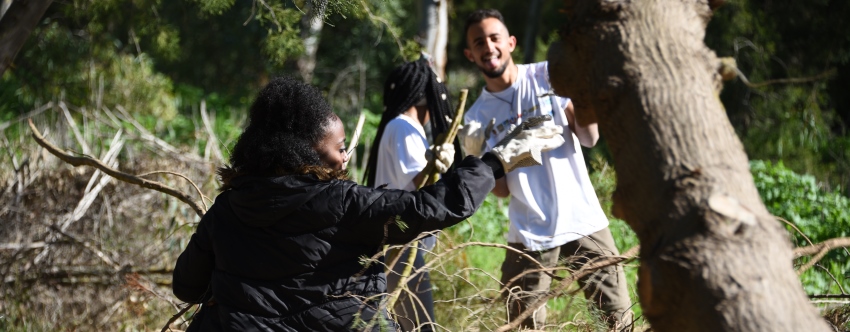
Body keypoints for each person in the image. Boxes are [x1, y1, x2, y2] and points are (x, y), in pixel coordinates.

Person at [171, 76, 565, 331]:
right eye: (340, 149)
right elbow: (433, 208)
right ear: (301, 152)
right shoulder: (344, 204)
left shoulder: (227, 209)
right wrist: (496, 161)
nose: (345, 159)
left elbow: (186, 286)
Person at [459, 8, 634, 331]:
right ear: (470, 53)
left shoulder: (548, 75)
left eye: (494, 38)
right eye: (479, 42)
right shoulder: (475, 117)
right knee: (522, 326)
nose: (488, 47)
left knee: (618, 321)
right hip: (528, 233)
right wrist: (476, 158)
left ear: (510, 42)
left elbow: (590, 137)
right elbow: (501, 191)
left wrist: (582, 98)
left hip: (582, 219)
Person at [362, 57, 460, 332]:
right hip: (402, 244)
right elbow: (421, 183)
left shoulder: (400, 127)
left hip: (400, 241)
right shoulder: (403, 128)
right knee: (419, 325)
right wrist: (440, 167)